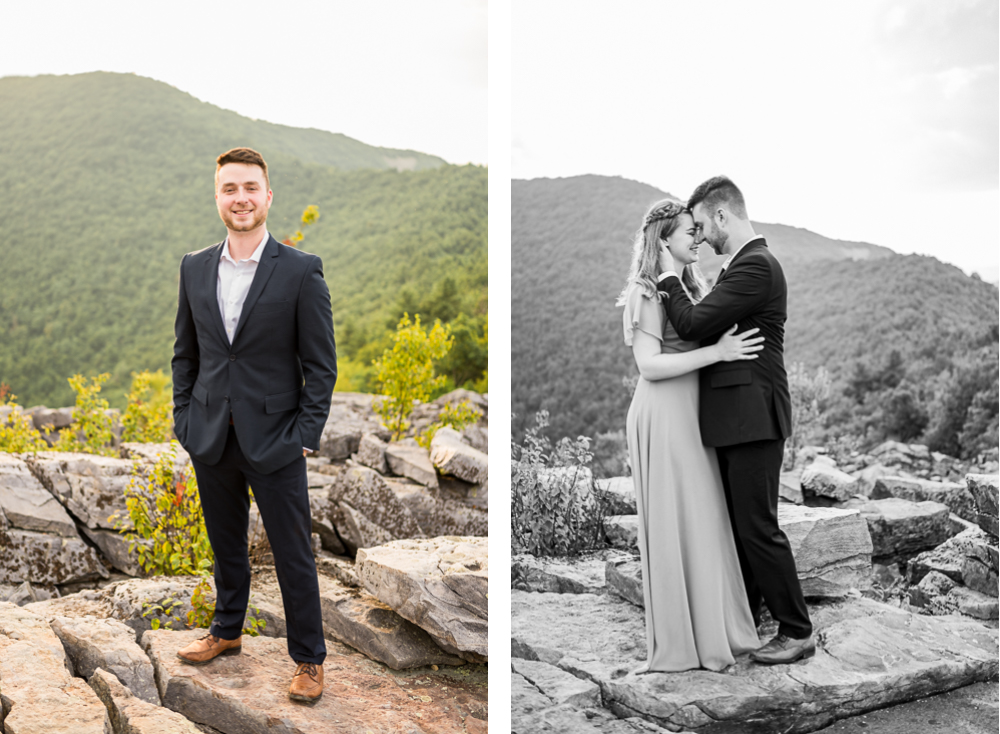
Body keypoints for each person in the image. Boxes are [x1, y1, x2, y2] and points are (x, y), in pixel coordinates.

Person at [171, 147, 337, 702]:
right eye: (229, 189)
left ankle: (309, 660)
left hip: (277, 439)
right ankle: (226, 631)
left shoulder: (301, 270)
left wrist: (305, 437)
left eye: (250, 188)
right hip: (210, 433)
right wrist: (184, 422)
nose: (240, 198)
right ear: (217, 196)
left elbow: (321, 366)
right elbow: (185, 355)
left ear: (268, 196)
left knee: (292, 552)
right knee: (225, 544)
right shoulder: (194, 266)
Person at [657, 176, 814, 665]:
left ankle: (797, 630)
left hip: (754, 419)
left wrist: (666, 278)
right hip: (736, 420)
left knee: (758, 527)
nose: (700, 236)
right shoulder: (738, 268)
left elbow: (694, 324)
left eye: (702, 225)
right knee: (741, 528)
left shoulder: (756, 267)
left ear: (722, 215)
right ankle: (744, 620)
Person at [618, 198, 762, 672]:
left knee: (702, 519)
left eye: (698, 233)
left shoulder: (689, 286)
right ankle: (681, 643)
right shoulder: (647, 292)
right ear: (663, 242)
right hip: (662, 415)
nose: (697, 240)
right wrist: (717, 354)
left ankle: (716, 631)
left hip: (693, 417)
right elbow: (649, 366)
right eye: (687, 234)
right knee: (675, 523)